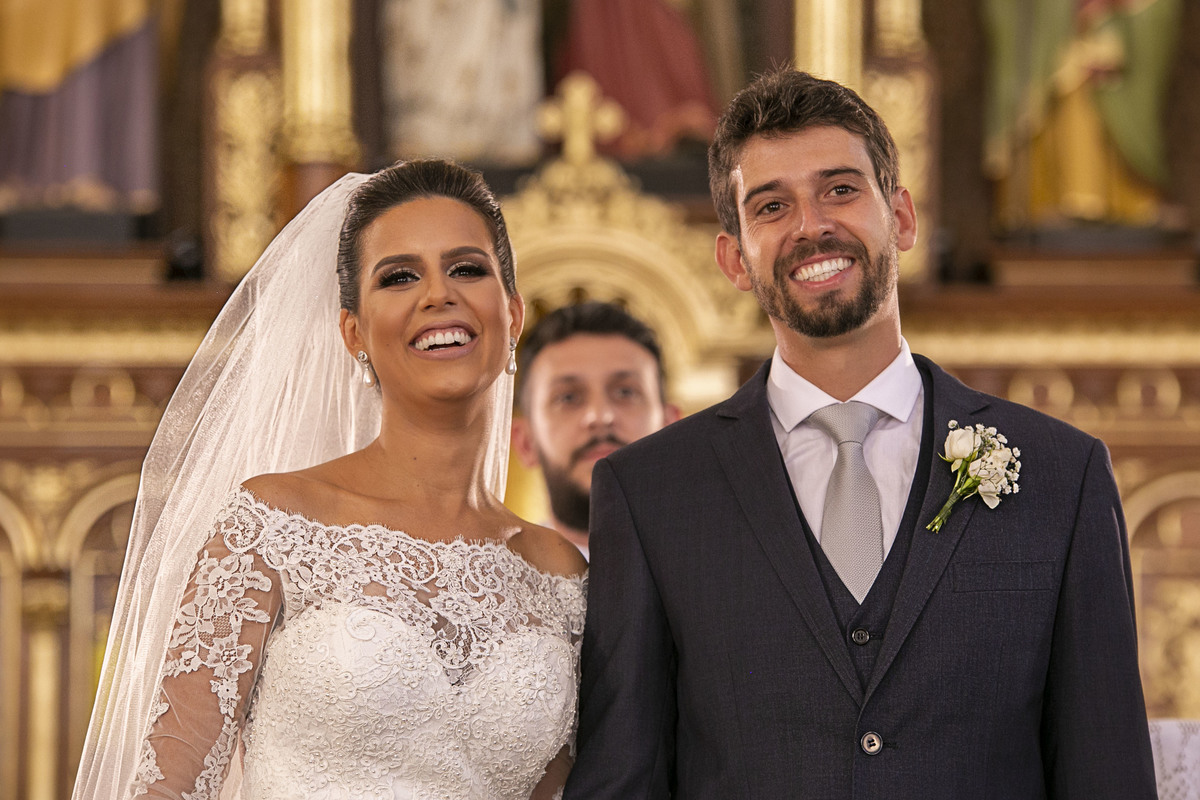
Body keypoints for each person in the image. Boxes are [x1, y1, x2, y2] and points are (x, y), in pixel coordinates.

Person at [565, 68, 1156, 798]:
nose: (812, 224)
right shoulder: (650, 493)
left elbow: (1108, 775)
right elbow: (624, 780)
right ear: (734, 259)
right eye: (772, 205)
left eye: (840, 189)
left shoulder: (1063, 475)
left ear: (901, 217)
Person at [73, 159, 587, 800]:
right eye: (399, 276)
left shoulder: (561, 574)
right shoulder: (273, 523)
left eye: (467, 268)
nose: (438, 295)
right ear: (354, 333)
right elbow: (169, 789)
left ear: (512, 313)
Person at [510, 301, 680, 558]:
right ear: (525, 442)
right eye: (568, 397)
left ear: (672, 429)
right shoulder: (484, 591)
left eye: (625, 392)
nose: (600, 416)